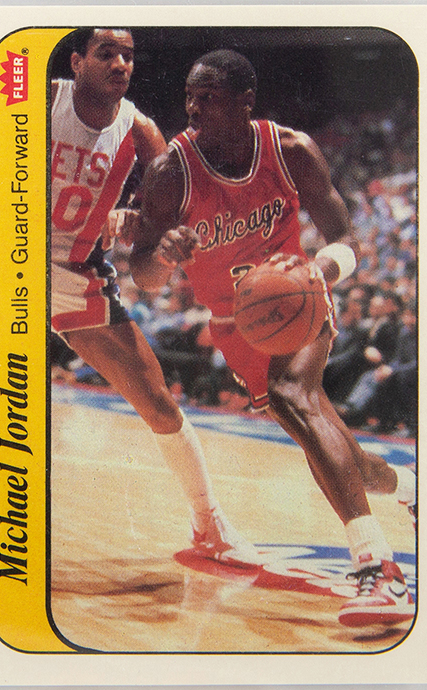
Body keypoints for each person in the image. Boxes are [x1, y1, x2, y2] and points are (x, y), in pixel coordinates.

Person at [129, 49, 417, 628]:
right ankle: (411, 486)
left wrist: (317, 272)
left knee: (293, 395)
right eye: (189, 98)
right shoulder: (170, 172)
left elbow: (345, 239)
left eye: (208, 98)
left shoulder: (290, 151)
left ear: (246, 102)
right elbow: (144, 273)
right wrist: (163, 256)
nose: (193, 109)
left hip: (298, 299)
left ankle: (377, 569)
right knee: (341, 455)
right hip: (234, 325)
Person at [50, 29, 265, 568]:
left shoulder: (141, 131)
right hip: (1, 260)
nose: (120, 63)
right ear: (76, 62)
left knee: (156, 398)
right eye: (106, 53)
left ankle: (209, 524)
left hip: (73, 272)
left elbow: (175, 207)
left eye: (127, 55)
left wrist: (136, 219)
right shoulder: (39, 101)